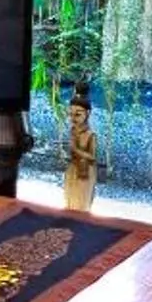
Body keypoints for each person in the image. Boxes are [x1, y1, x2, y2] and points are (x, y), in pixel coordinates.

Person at [62, 82, 100, 213]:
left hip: (85, 172)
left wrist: (75, 149)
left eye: (78, 114)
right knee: (69, 203)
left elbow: (93, 157)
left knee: (81, 206)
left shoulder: (91, 135)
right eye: (71, 114)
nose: (73, 118)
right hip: (73, 169)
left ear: (87, 113)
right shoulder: (73, 131)